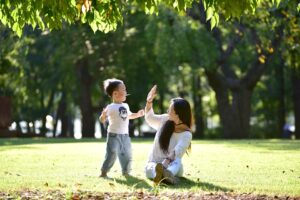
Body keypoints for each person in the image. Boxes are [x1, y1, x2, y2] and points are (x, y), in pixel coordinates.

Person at [144, 85, 193, 185]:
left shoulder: (186, 134)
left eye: (170, 109)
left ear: (177, 114)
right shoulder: (165, 119)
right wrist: (149, 102)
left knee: (177, 162)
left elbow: (177, 151)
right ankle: (163, 176)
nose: (167, 111)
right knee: (149, 168)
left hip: (172, 164)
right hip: (155, 163)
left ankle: (167, 174)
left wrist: (164, 165)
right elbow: (150, 118)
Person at [99, 78, 144, 178]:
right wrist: (103, 116)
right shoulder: (110, 107)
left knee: (127, 153)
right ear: (115, 94)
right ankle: (104, 172)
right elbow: (102, 120)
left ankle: (126, 171)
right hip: (113, 135)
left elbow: (129, 115)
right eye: (123, 90)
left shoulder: (126, 106)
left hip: (125, 135)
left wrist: (138, 114)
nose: (126, 92)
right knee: (112, 153)